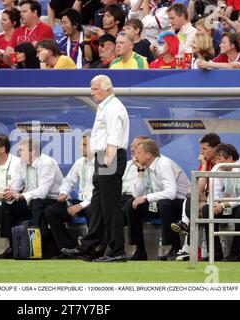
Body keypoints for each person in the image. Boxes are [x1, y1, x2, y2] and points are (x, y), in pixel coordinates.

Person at [62, 75, 129, 263]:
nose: (92, 92)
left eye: (96, 89)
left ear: (108, 89)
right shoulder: (105, 106)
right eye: (91, 89)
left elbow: (114, 135)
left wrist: (108, 158)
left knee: (110, 206)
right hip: (103, 156)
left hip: (110, 157)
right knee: (98, 204)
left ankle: (117, 251)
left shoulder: (113, 107)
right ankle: (89, 247)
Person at [125, 138, 190, 261]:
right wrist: (140, 171)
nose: (135, 157)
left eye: (139, 153)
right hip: (162, 203)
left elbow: (171, 193)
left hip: (181, 204)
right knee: (131, 204)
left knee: (164, 204)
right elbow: (137, 194)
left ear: (148, 155)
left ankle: (173, 248)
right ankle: (140, 250)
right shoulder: (145, 167)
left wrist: (146, 198)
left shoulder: (164, 164)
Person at [0, 138, 63, 258]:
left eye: (21, 150)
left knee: (36, 203)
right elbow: (15, 188)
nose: (18, 154)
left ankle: (41, 245)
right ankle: (13, 246)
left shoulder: (47, 163)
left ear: (32, 152)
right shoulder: (20, 165)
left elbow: (43, 192)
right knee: (7, 204)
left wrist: (18, 195)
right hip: (32, 199)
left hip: (53, 200)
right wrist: (9, 193)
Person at [171, 133, 221, 261]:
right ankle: (187, 246)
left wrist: (205, 198)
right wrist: (204, 165)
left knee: (193, 204)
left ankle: (186, 237)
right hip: (207, 199)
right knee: (192, 198)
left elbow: (221, 191)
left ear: (215, 148)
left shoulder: (221, 163)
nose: (201, 152)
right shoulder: (206, 163)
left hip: (221, 200)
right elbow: (198, 189)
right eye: (201, 149)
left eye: (204, 149)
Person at [44, 130, 95, 252]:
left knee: (92, 211)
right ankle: (67, 247)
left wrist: (81, 206)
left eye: (84, 145)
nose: (80, 148)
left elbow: (99, 193)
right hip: (80, 201)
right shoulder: (80, 162)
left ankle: (91, 248)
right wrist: (63, 192)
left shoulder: (101, 164)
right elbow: (67, 181)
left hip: (92, 203)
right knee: (51, 211)